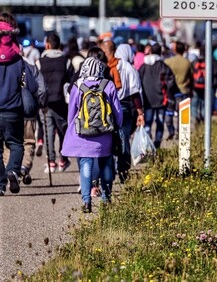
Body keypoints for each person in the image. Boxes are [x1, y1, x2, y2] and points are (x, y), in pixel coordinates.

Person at [61, 57, 122, 212]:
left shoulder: (78, 86)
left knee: (85, 166)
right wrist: (117, 126)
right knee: (106, 165)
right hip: (105, 134)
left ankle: (87, 201)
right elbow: (117, 110)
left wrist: (71, 127)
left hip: (83, 133)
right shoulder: (108, 85)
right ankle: (106, 197)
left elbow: (72, 112)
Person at [0, 13, 40, 195]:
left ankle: (0, 186)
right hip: (13, 110)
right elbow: (32, 85)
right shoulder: (19, 61)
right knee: (16, 144)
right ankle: (13, 171)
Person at [36, 32, 73, 173]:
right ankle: (63, 158)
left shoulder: (40, 62)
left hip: (45, 102)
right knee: (63, 131)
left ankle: (51, 162)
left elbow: (36, 83)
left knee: (48, 132)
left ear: (47, 45)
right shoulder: (66, 61)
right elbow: (71, 82)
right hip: (62, 101)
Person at [113, 43, 145, 182]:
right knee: (124, 139)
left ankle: (110, 168)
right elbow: (136, 92)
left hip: (110, 106)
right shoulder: (130, 68)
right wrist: (140, 112)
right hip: (126, 106)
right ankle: (123, 169)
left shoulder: (109, 66)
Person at [139, 43, 177, 148]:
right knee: (160, 122)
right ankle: (157, 144)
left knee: (148, 122)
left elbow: (138, 80)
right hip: (161, 99)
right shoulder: (163, 66)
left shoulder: (143, 66)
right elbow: (171, 81)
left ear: (150, 51)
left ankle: (147, 143)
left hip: (147, 100)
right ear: (160, 52)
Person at [165, 41, 194, 138]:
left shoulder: (168, 62)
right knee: (182, 114)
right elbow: (191, 77)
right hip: (184, 91)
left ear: (175, 49)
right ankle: (180, 133)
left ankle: (170, 130)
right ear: (184, 50)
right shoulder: (187, 63)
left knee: (169, 111)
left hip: (170, 92)